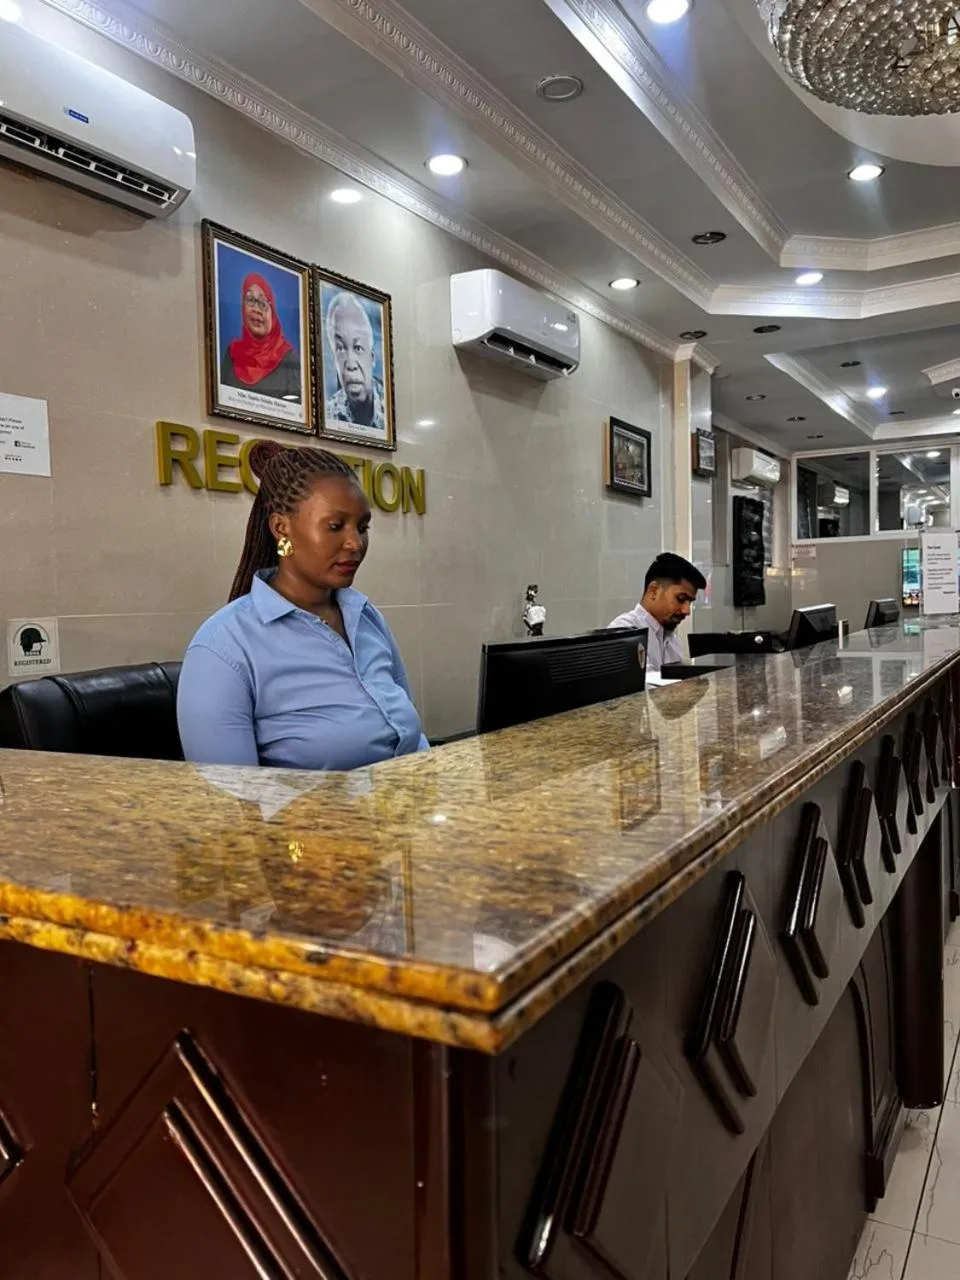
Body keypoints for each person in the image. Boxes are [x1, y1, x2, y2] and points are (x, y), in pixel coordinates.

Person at [177, 441, 428, 771]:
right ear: (282, 528)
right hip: (315, 823)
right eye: (335, 526)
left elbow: (413, 736)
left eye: (363, 527)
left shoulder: (365, 616)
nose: (355, 543)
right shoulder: (223, 647)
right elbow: (231, 803)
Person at [607, 553, 706, 672]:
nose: (686, 611)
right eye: (680, 598)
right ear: (653, 591)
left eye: (690, 602)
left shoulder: (673, 641)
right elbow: (643, 686)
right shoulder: (625, 631)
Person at [220, 272, 302, 401]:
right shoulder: (232, 353)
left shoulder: (289, 360)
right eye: (250, 300)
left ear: (272, 314)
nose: (256, 310)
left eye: (263, 304)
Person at [324, 291, 387, 430]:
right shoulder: (328, 413)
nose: (350, 364)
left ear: (372, 358)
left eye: (358, 347)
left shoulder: (389, 407)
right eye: (340, 348)